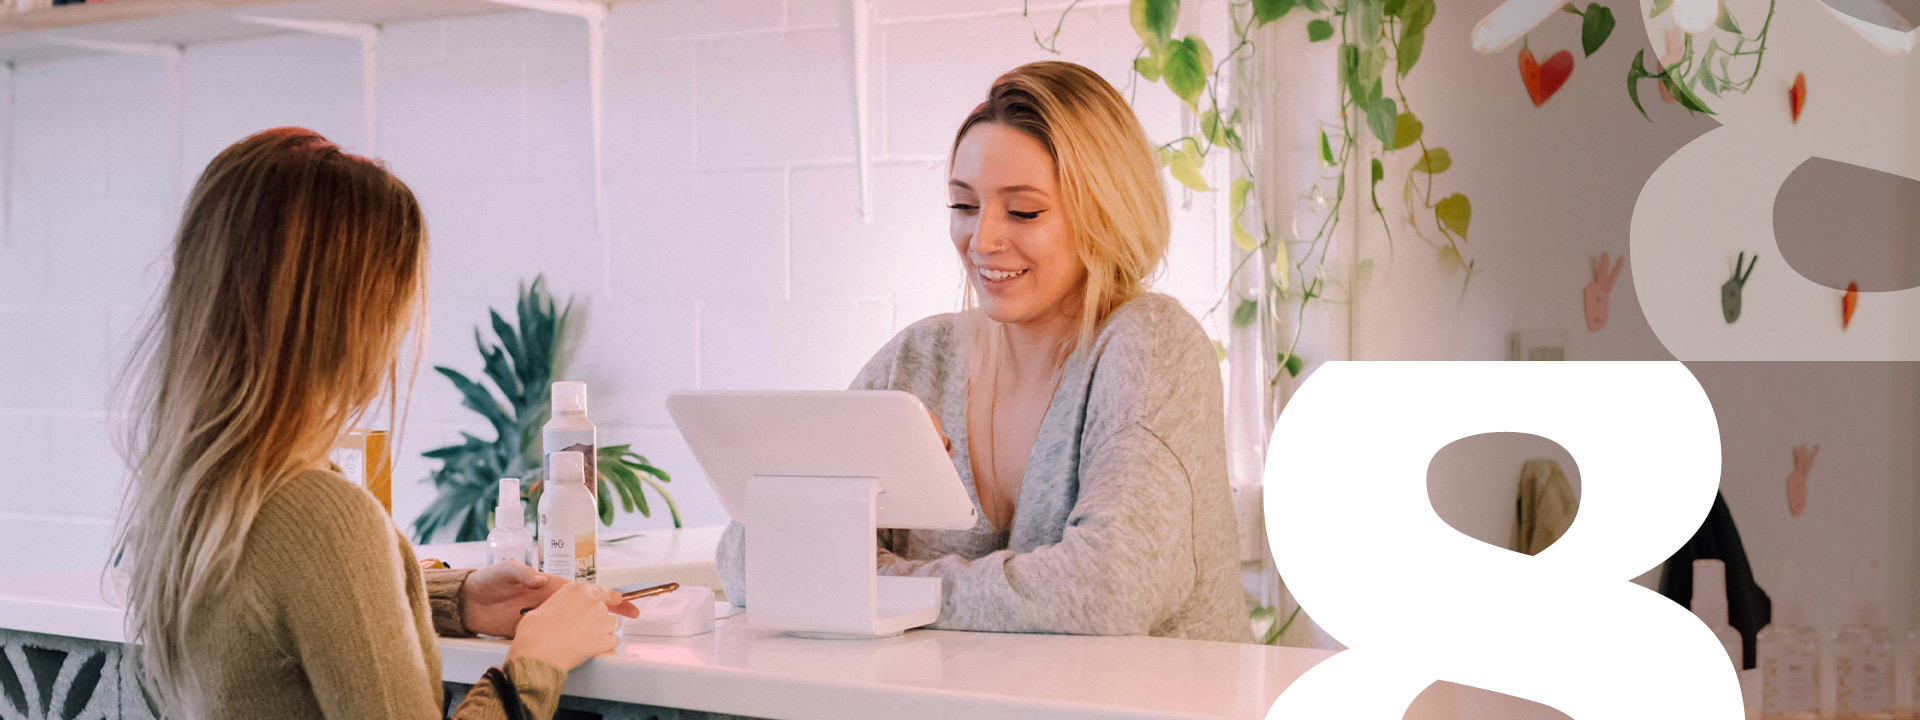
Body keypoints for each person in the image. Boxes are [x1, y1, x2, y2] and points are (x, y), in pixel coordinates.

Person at [113, 127, 636, 720]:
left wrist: (451, 599)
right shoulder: (321, 514)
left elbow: (291, 612)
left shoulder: (199, 488)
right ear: (352, 317)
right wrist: (536, 660)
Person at [718, 61, 1249, 642]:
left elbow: (1105, 592)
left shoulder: (1150, 347)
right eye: (964, 206)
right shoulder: (921, 360)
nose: (983, 239)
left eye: (1023, 210)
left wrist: (881, 586)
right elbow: (749, 562)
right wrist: (854, 492)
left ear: (1106, 212)